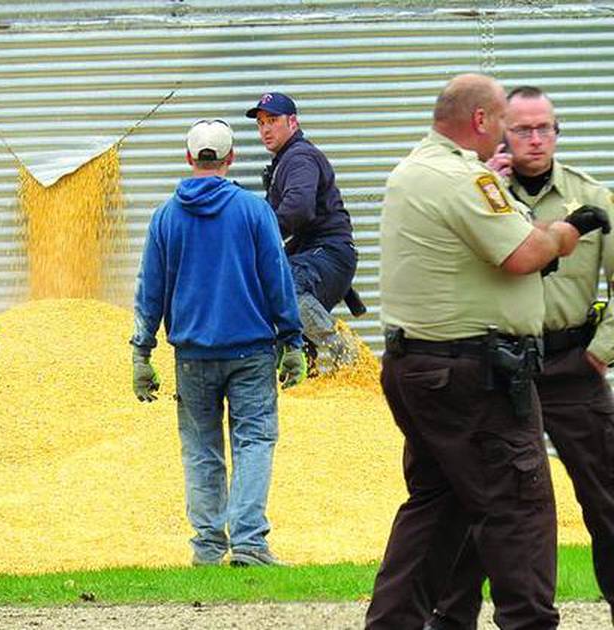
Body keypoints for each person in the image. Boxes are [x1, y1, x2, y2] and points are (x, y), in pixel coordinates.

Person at [364, 73, 611, 630]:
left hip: (428, 368)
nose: (512, 135)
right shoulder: (464, 179)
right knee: (520, 508)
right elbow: (524, 254)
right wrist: (568, 233)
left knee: (436, 508)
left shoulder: (415, 168)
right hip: (475, 375)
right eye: (504, 121)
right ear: (481, 119)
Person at [130, 118, 307, 568]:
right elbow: (277, 278)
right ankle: (248, 543)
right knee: (253, 442)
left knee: (201, 450)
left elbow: (150, 289)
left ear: (189, 157)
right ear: (231, 158)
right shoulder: (254, 212)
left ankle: (208, 547)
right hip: (251, 352)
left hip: (192, 357)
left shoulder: (166, 217)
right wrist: (292, 341)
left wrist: (142, 352)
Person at [246, 92, 361, 373]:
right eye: (261, 123)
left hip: (329, 253)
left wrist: (258, 238)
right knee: (266, 293)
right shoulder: (285, 160)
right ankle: (301, 371)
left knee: (284, 283)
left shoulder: (299, 158)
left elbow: (298, 210)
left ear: (293, 122)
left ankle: (346, 353)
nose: (265, 129)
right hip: (314, 254)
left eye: (273, 120)